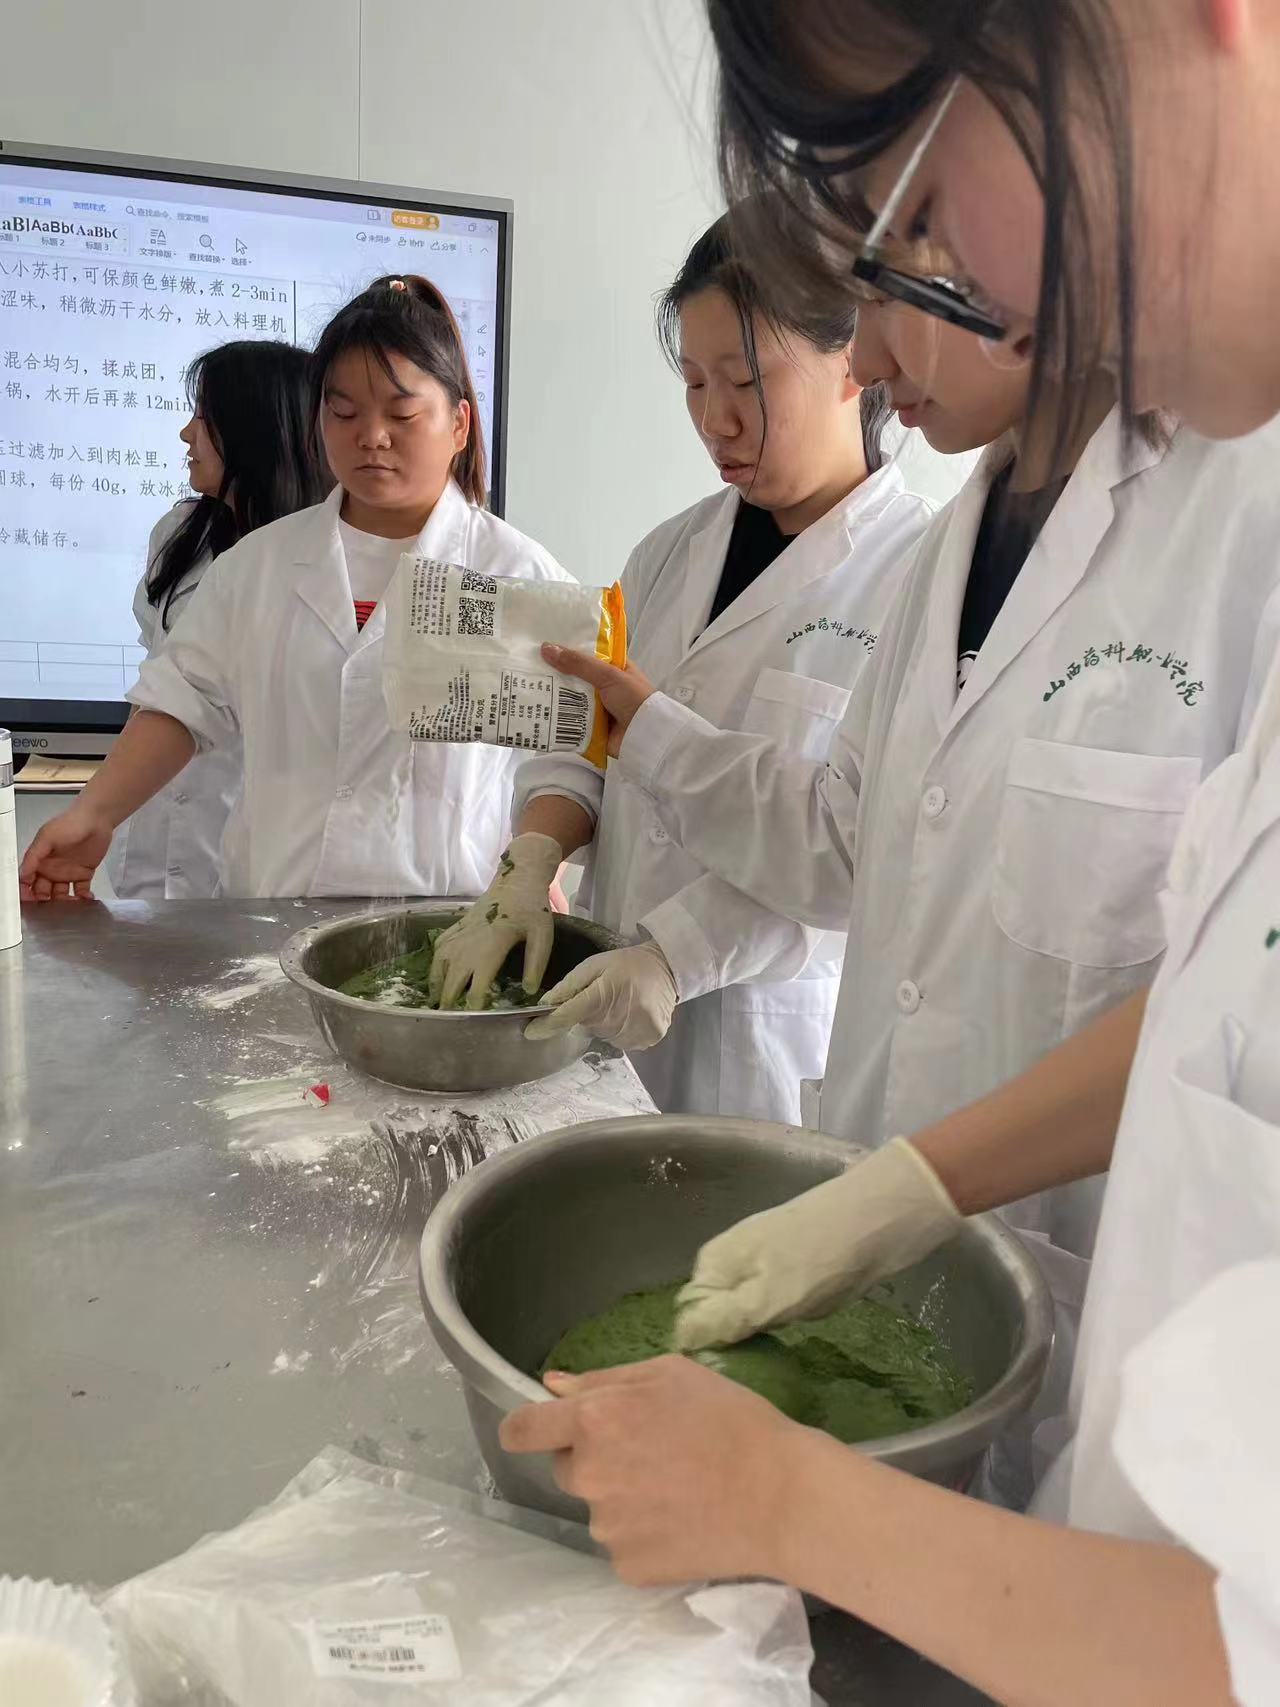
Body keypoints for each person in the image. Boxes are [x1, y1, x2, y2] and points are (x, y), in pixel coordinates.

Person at [502, 4, 1280, 1701]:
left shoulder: (1242, 519)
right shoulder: (944, 556)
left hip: (1095, 1447)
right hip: (1039, 1495)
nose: (870, 343)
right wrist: (903, 1183)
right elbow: (872, 850)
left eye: (911, 221)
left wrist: (798, 1494)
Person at [428, 212, 933, 1123]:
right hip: (606, 1024)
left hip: (763, 1055)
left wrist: (675, 956)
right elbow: (589, 737)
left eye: (746, 381)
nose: (714, 419)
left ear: (853, 358)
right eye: (695, 382)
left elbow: (858, 857)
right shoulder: (669, 553)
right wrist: (531, 857)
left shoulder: (915, 577)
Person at [20, 276, 573, 901]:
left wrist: (538, 867)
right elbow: (180, 702)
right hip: (270, 920)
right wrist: (93, 815)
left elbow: (568, 761)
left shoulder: (520, 575)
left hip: (448, 922)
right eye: (344, 412)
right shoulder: (258, 566)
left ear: (459, 423)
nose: (372, 436)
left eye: (401, 414)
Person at [108, 340, 329, 899]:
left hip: (244, 859)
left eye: (204, 417)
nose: (187, 434)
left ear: (255, 430)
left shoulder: (322, 559)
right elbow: (161, 680)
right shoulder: (180, 533)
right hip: (150, 834)